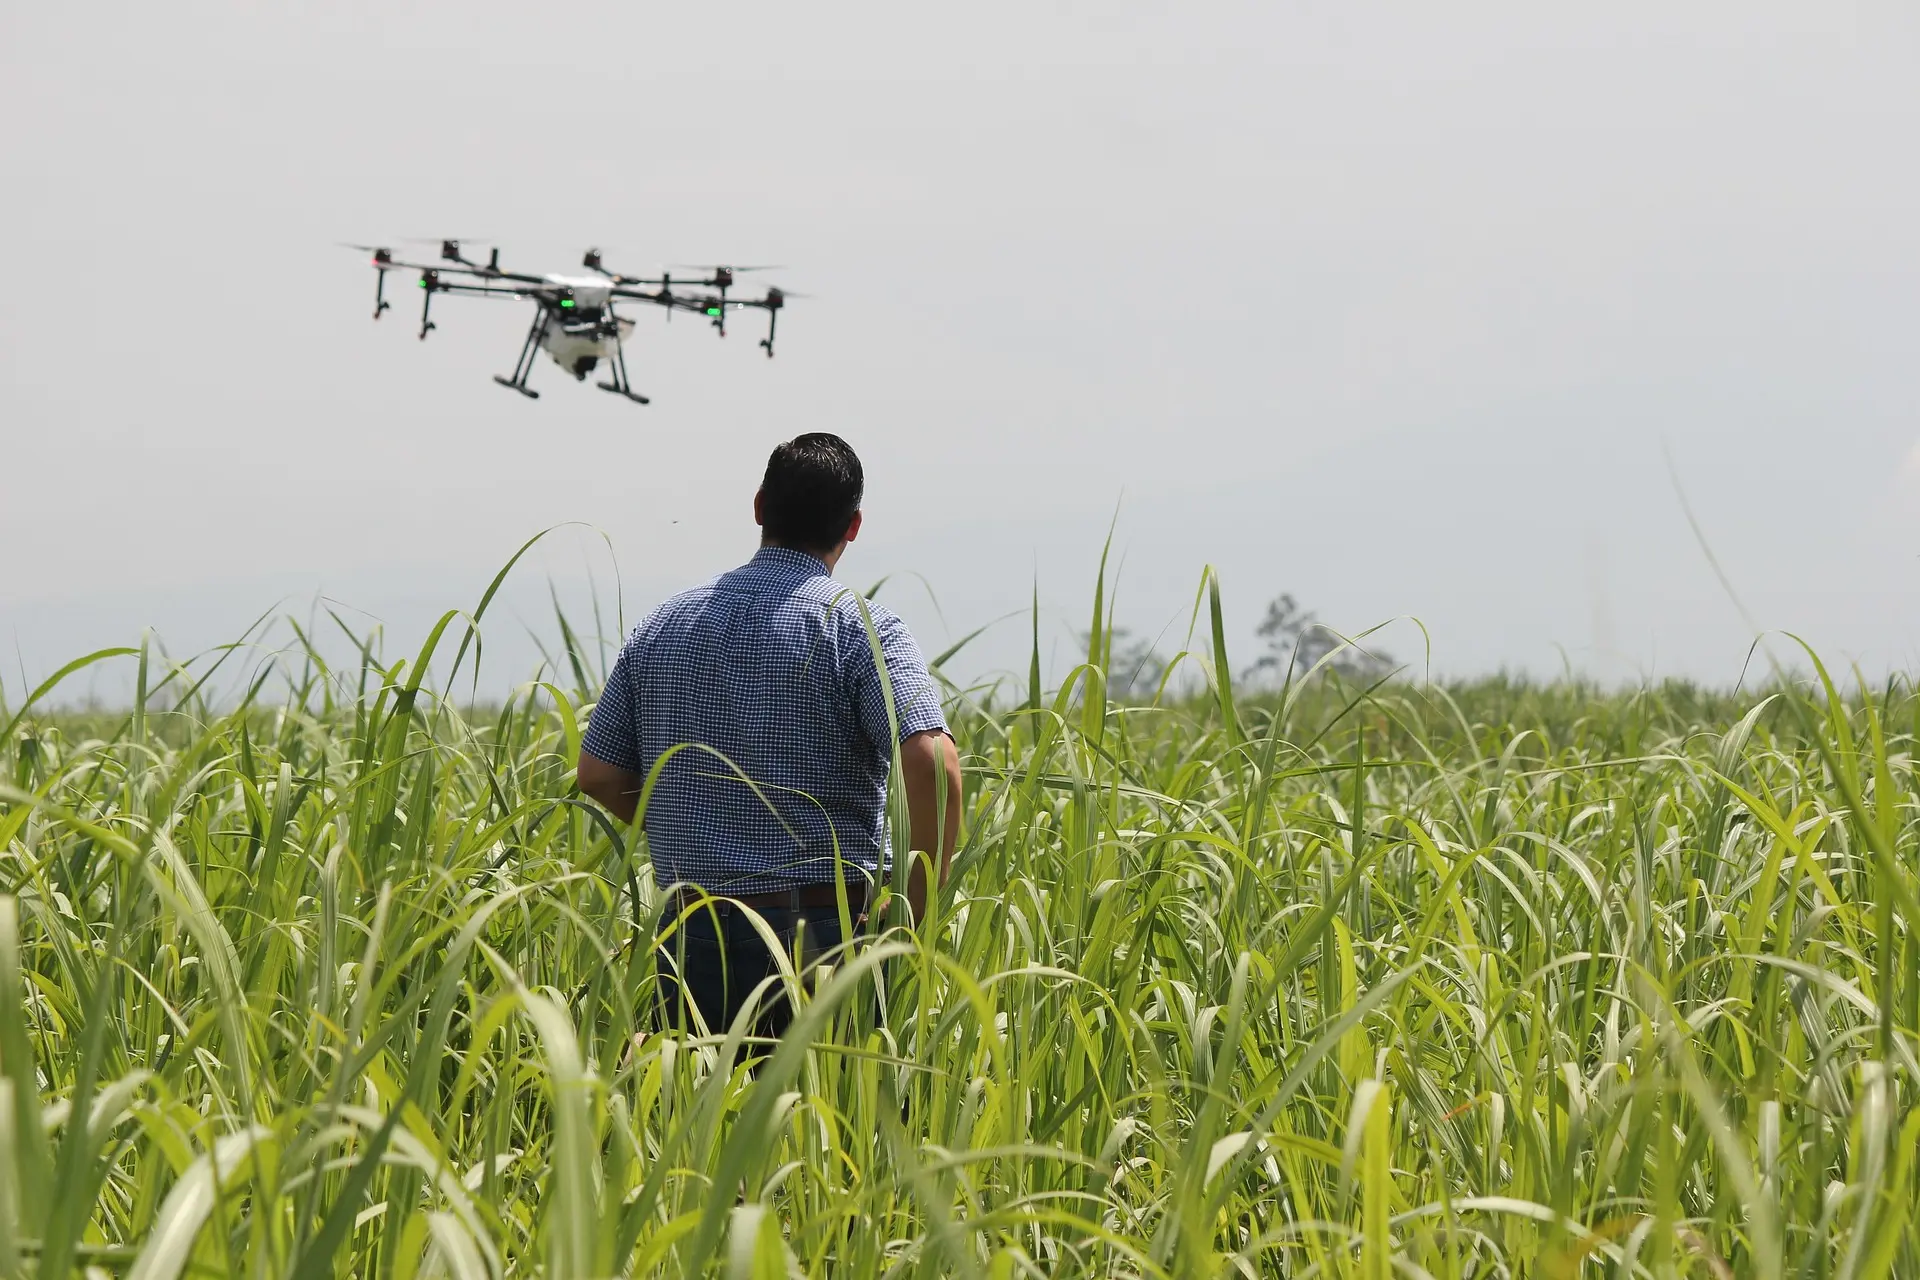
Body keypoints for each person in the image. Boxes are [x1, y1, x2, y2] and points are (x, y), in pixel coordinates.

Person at [576, 433, 962, 1039]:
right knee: (827, 1123)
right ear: (854, 526)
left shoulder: (663, 625)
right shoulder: (861, 627)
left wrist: (695, 821)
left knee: (695, 1125)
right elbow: (933, 760)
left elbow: (598, 774)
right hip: (825, 934)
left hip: (695, 930)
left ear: (758, 507)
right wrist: (909, 911)